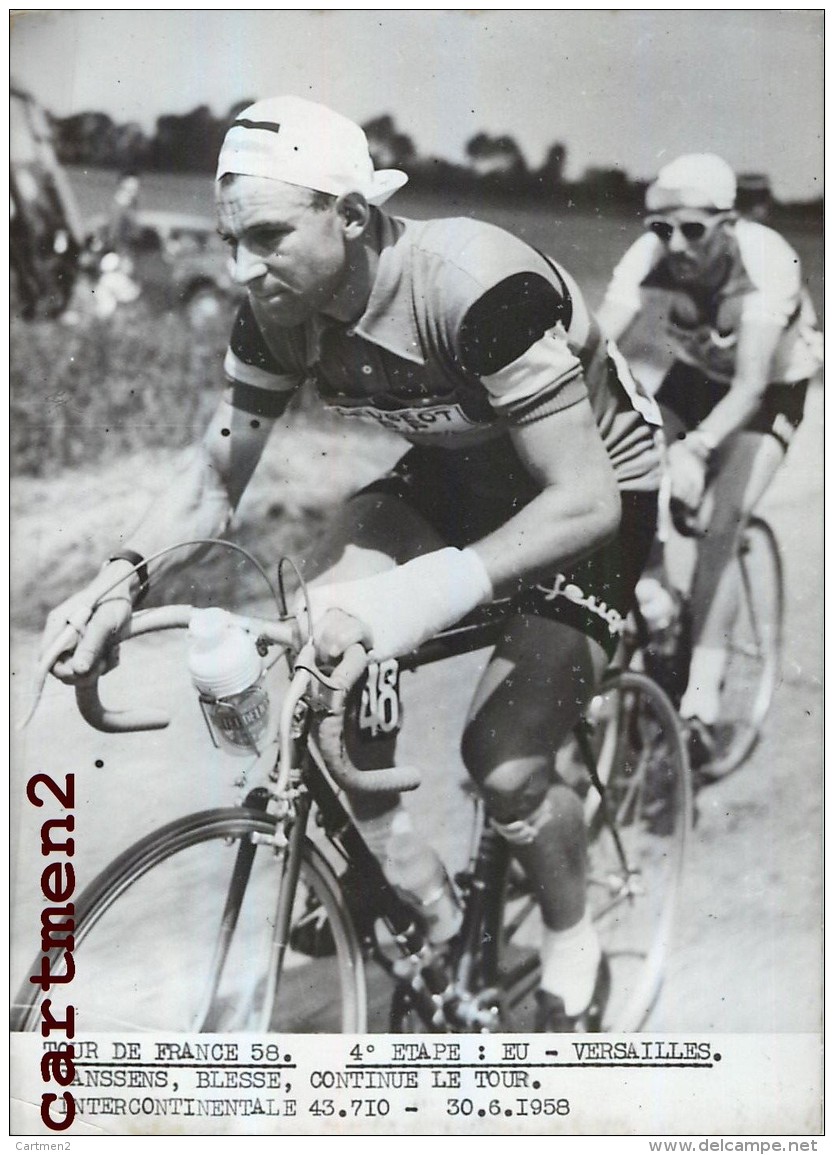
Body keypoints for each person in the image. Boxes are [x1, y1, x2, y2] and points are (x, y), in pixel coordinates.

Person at [41, 96, 663, 1032]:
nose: (241, 269)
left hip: (592, 493)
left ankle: (574, 942)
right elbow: (215, 475)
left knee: (503, 763)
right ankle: (424, 902)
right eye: (228, 240)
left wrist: (420, 593)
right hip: (459, 473)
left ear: (353, 216)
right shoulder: (275, 311)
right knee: (313, 649)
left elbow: (581, 498)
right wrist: (121, 578)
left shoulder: (475, 286)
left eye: (266, 237)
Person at [597, 153, 822, 766]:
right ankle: (659, 601)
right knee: (630, 478)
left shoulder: (765, 258)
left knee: (722, 523)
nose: (677, 244)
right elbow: (595, 339)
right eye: (661, 228)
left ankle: (700, 700)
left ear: (726, 222)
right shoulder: (653, 255)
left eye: (693, 229)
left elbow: (750, 385)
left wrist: (696, 449)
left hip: (767, 390)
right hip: (693, 379)